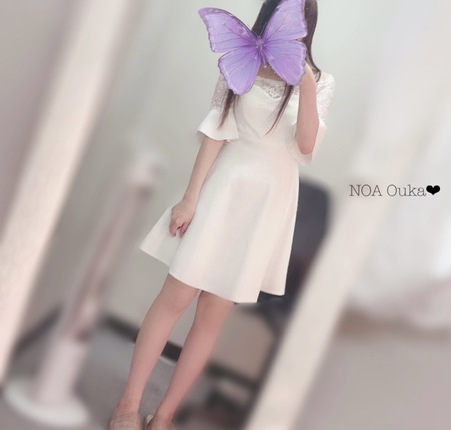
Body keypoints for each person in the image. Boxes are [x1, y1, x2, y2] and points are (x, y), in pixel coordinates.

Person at [107, 1, 334, 429]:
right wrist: (190, 198)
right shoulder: (241, 58)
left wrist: (304, 83)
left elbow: (306, 146)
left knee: (212, 316)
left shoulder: (321, 82)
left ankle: (164, 416)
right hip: (224, 186)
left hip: (266, 203)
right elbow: (216, 130)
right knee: (174, 299)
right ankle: (127, 405)